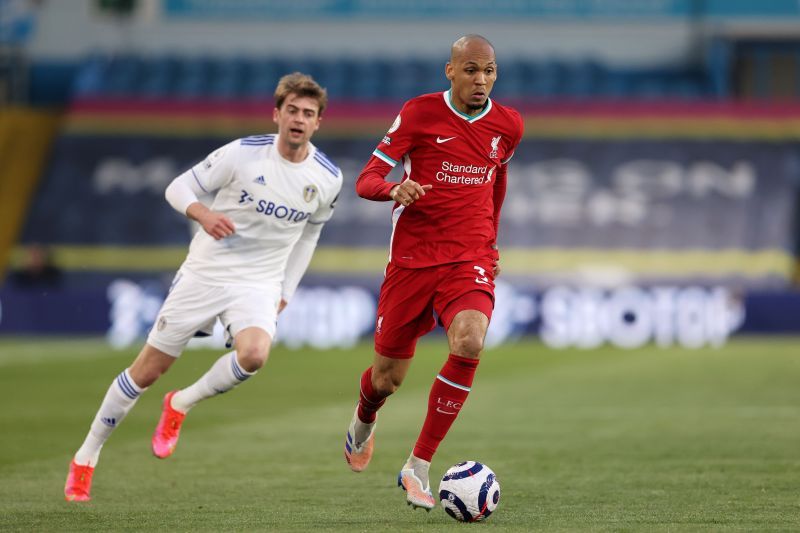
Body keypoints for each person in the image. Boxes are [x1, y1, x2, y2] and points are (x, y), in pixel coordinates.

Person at [64, 72, 342, 502]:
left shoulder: (327, 178)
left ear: (319, 122)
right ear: (277, 114)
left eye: (308, 113)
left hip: (260, 281)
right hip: (207, 272)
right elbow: (178, 187)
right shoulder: (243, 154)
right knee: (146, 372)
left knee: (254, 355)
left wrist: (287, 287)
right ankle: (86, 457)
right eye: (292, 111)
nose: (299, 120)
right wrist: (202, 214)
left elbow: (310, 235)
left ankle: (181, 404)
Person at [343, 34, 524, 510]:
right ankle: (363, 420)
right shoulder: (420, 114)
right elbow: (366, 180)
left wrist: (491, 241)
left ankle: (417, 465)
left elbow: (496, 182)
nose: (480, 79)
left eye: (488, 70)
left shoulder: (508, 125)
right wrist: (394, 190)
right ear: (450, 70)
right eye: (470, 70)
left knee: (470, 341)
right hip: (412, 262)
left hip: (469, 259)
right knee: (386, 379)